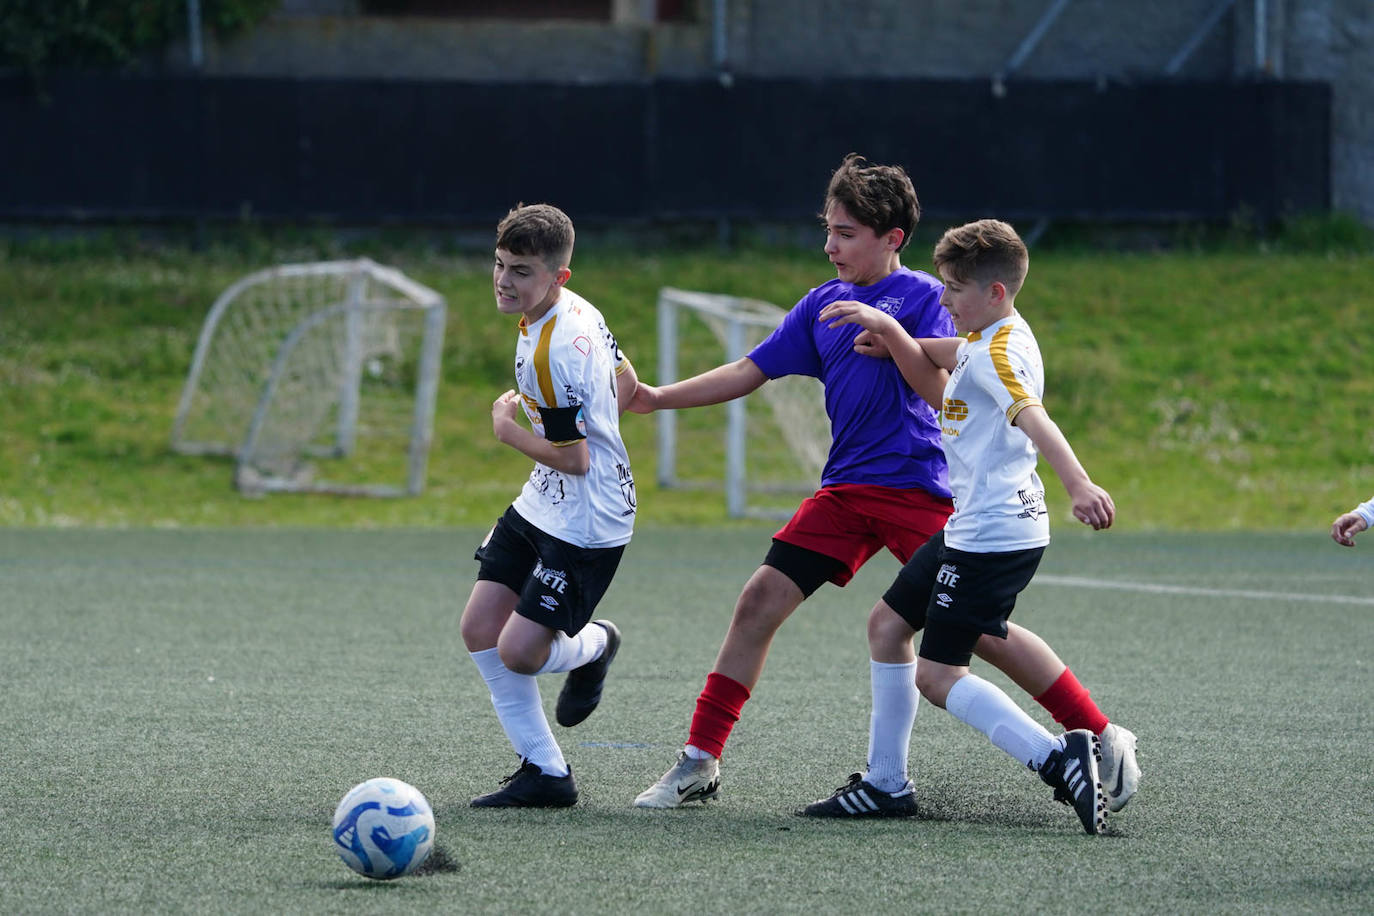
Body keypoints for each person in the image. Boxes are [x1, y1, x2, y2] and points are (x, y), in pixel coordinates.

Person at [630, 156, 1138, 816]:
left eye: (845, 233)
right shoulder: (821, 305)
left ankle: (1098, 736)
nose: (830, 245)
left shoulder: (933, 296)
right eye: (829, 230)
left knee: (981, 633)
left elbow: (954, 384)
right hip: (844, 492)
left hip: (920, 492)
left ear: (891, 238)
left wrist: (900, 342)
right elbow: (752, 369)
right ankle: (701, 761)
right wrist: (653, 397)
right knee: (761, 600)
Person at [807, 218, 1122, 834]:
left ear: (995, 293)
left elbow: (1034, 418)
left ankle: (1061, 761)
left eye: (953, 289)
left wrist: (1079, 483)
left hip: (993, 537)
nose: (943, 300)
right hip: (972, 527)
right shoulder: (998, 333)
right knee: (887, 624)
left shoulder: (1000, 355)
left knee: (938, 673)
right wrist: (900, 340)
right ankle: (885, 785)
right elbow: (952, 358)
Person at [460, 203, 638, 808]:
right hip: (544, 498)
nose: (504, 281)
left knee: (519, 652)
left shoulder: (552, 355)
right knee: (480, 628)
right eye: (500, 264)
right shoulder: (576, 306)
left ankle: (596, 644)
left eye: (522, 271)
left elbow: (578, 460)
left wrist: (507, 430)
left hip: (589, 517)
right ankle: (545, 774)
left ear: (557, 276)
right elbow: (627, 381)